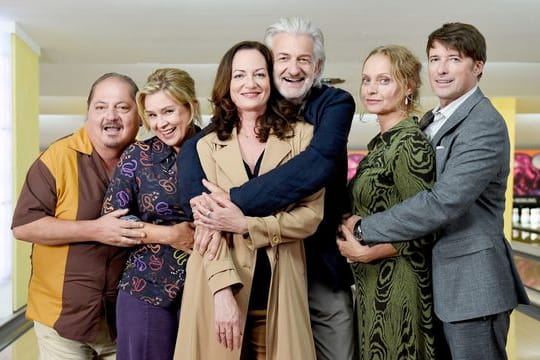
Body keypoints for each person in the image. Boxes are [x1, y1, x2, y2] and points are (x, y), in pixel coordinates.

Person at [345, 23, 530, 359]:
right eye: (434, 58)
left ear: (478, 67)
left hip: (472, 289)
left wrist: (364, 229)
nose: (441, 69)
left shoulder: (483, 123)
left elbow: (443, 202)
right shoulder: (431, 121)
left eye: (454, 59)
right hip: (434, 287)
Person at [178, 17, 355, 360]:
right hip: (222, 281)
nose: (292, 68)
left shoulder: (314, 123)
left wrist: (238, 215)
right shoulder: (207, 144)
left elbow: (313, 187)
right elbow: (206, 226)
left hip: (300, 268)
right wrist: (221, 290)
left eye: (303, 59)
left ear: (316, 66)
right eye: (241, 75)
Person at [11, 73, 145, 359]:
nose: (111, 116)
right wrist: (96, 230)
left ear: (140, 115)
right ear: (88, 113)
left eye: (123, 107)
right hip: (61, 322)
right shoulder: (57, 158)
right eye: (101, 107)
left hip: (125, 320)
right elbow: (24, 226)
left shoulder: (151, 162)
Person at [337, 45, 436, 359]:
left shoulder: (409, 142)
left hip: (400, 285)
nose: (371, 89)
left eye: (384, 80)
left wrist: (367, 253)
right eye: (367, 80)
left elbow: (427, 224)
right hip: (374, 283)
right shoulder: (382, 144)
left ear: (407, 86)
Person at [101, 68, 199, 360]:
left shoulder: (218, 148)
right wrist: (170, 235)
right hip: (146, 287)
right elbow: (112, 220)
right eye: (153, 115)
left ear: (191, 107)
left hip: (207, 286)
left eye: (168, 111)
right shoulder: (138, 156)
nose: (161, 123)